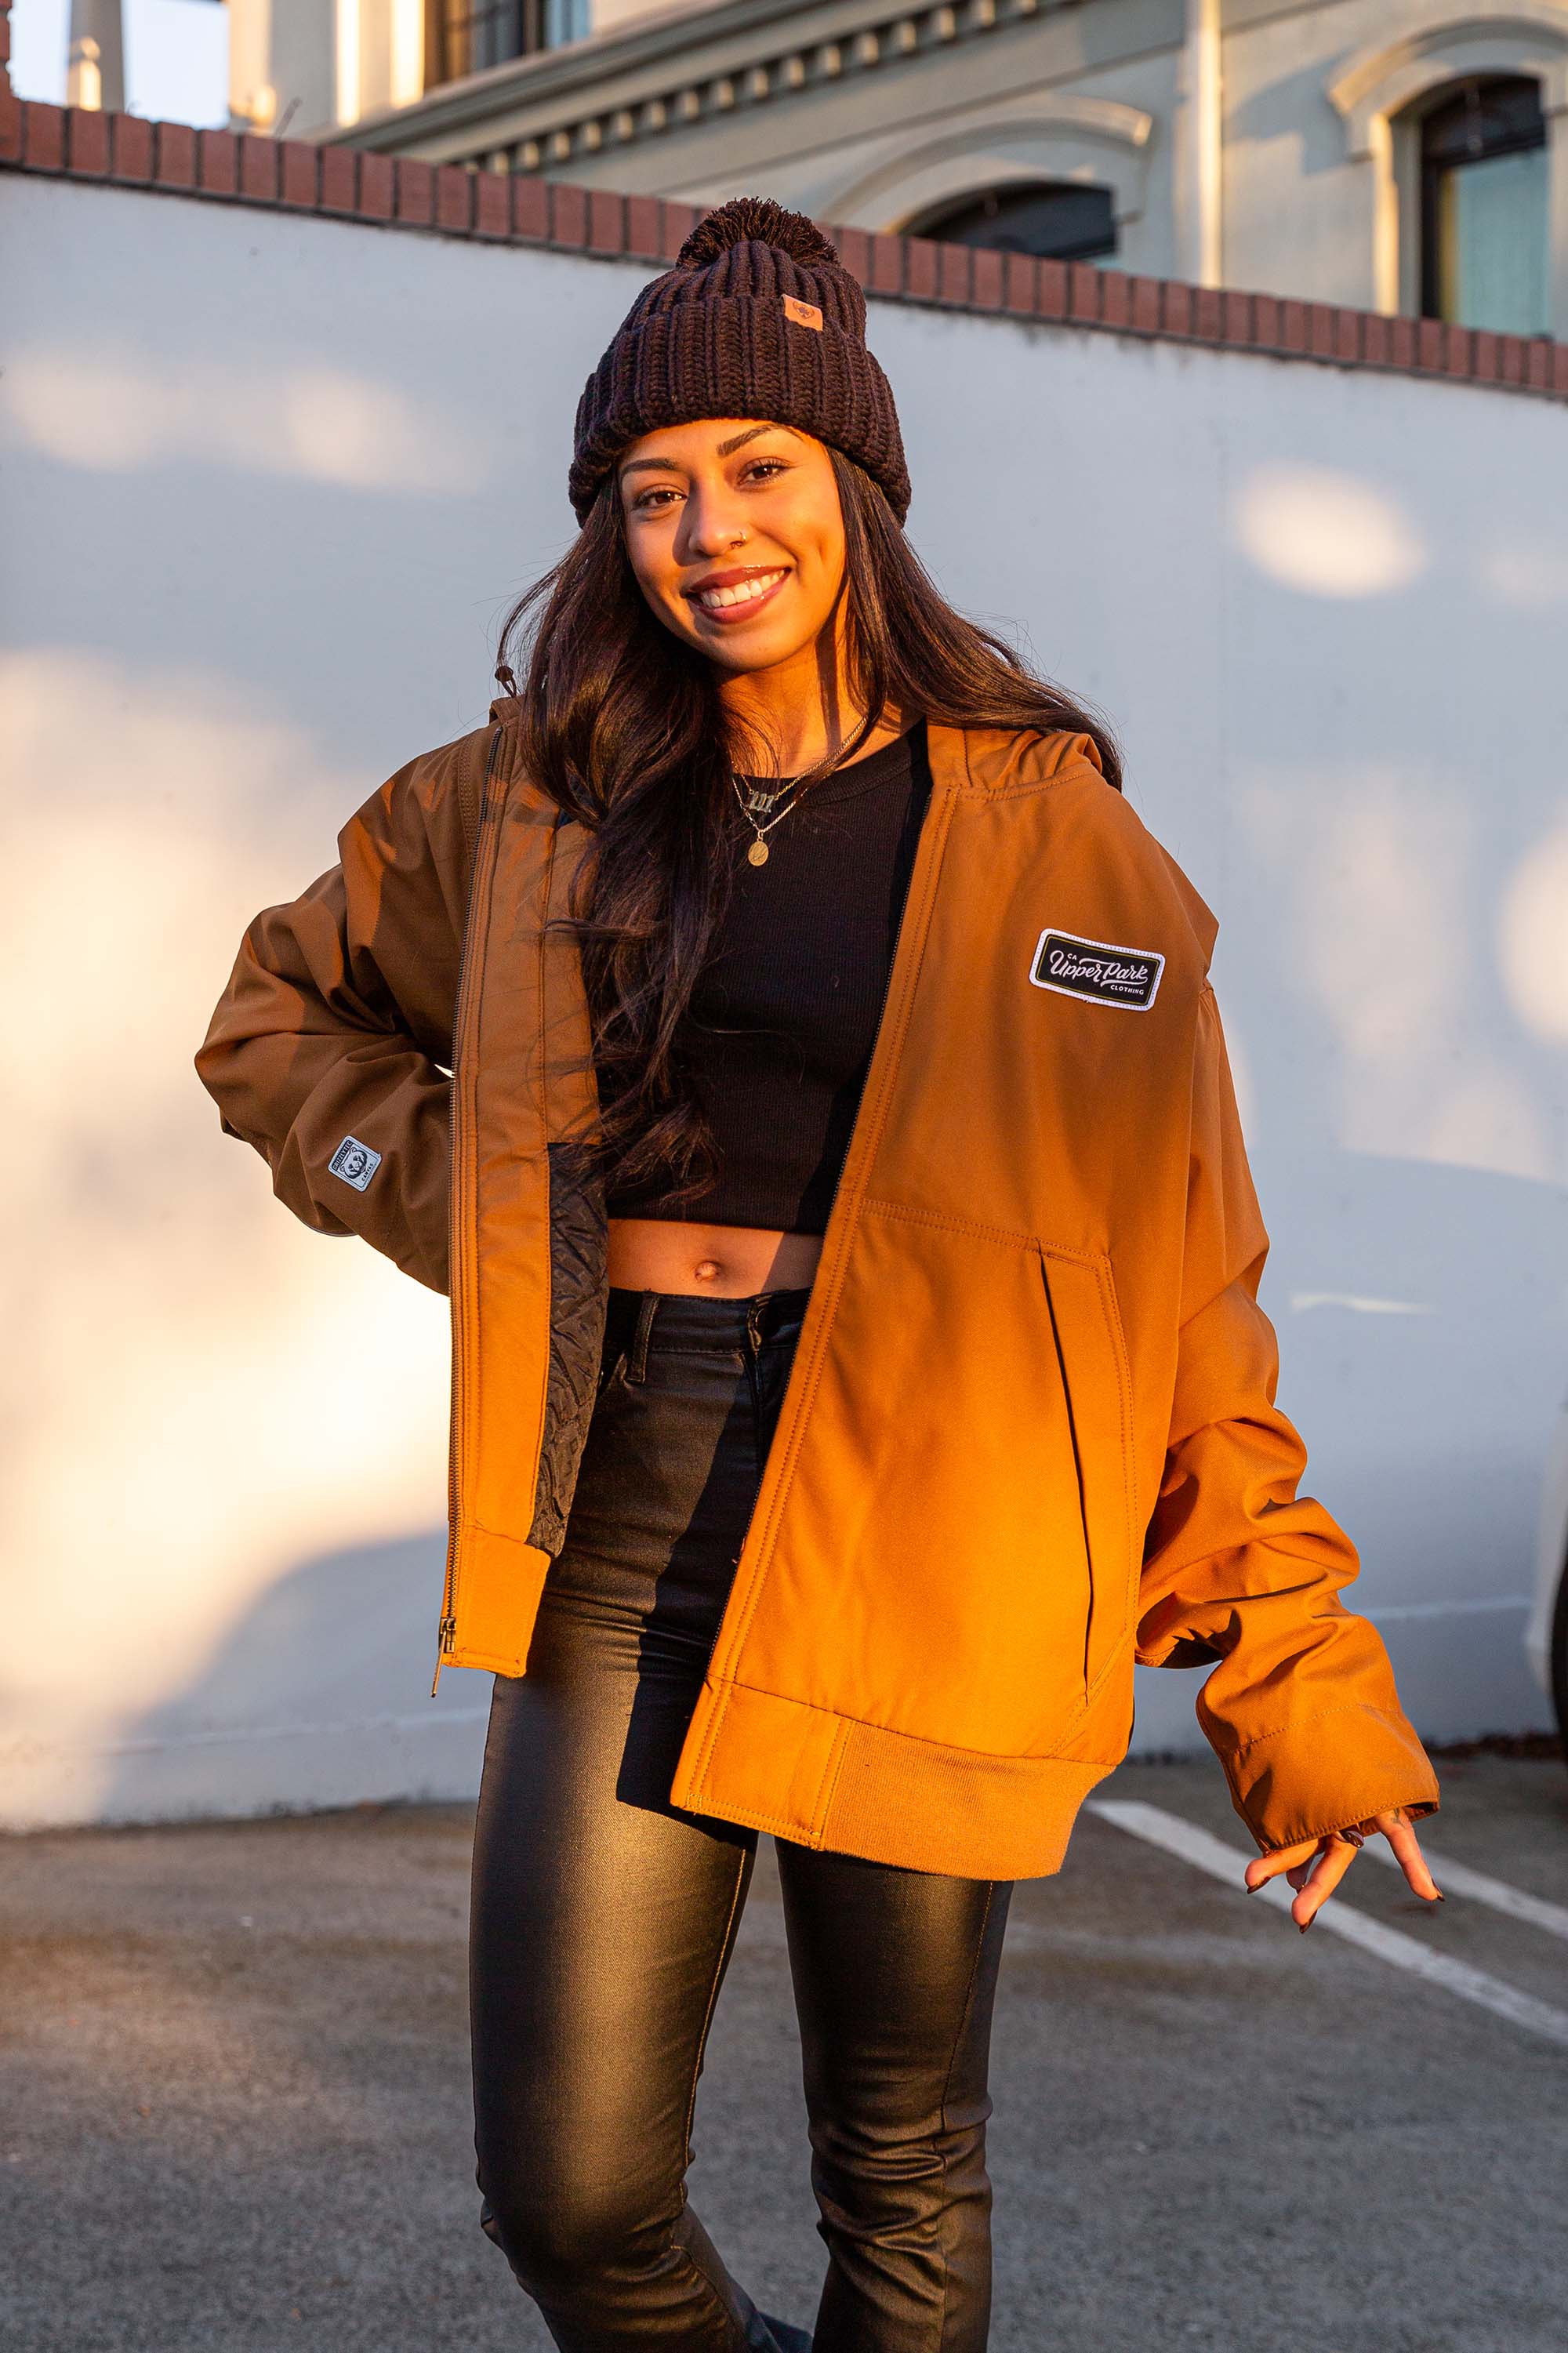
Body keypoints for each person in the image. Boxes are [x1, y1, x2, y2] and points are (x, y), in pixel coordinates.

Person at [196, 197, 1442, 2353]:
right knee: (570, 2196)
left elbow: (1184, 1277)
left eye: (758, 470)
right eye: (654, 490)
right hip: (622, 1500)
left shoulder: (1061, 841)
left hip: (939, 1508)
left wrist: (1291, 1663)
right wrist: (483, 1215)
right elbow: (277, 1020)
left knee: (906, 2178)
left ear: (856, 489)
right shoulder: (527, 802)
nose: (708, 530)